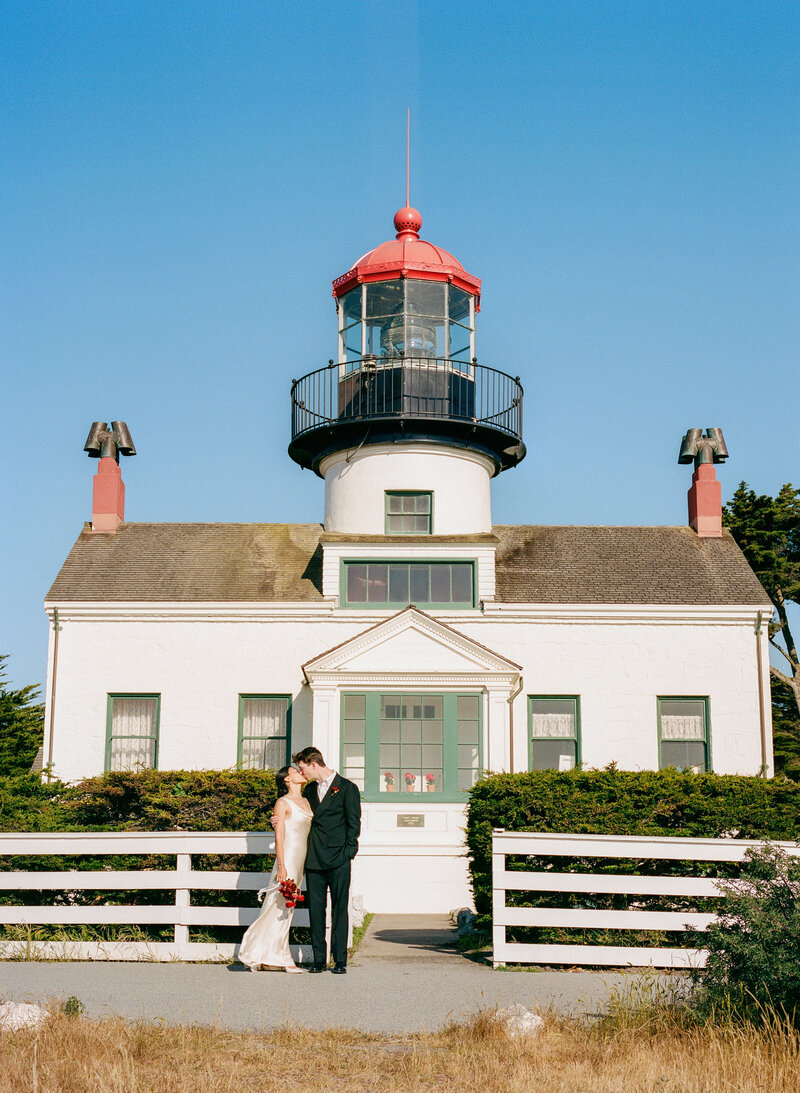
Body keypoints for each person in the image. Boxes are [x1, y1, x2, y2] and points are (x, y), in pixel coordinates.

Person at [292, 746, 361, 974]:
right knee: (316, 910)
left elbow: (354, 823)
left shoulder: (348, 788)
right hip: (314, 858)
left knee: (340, 909)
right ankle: (319, 960)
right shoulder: (310, 791)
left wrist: (348, 853)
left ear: (313, 764)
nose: (301, 773)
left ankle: (340, 960)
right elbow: (298, 814)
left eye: (302, 768)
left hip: (339, 858)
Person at [238, 764, 312, 972]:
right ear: (287, 779)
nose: (300, 772)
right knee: (279, 905)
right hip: (288, 858)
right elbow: (279, 837)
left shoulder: (307, 801)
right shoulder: (282, 803)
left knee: (286, 908)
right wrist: (281, 866)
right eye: (295, 771)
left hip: (301, 860)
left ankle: (269, 956)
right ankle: (282, 957)